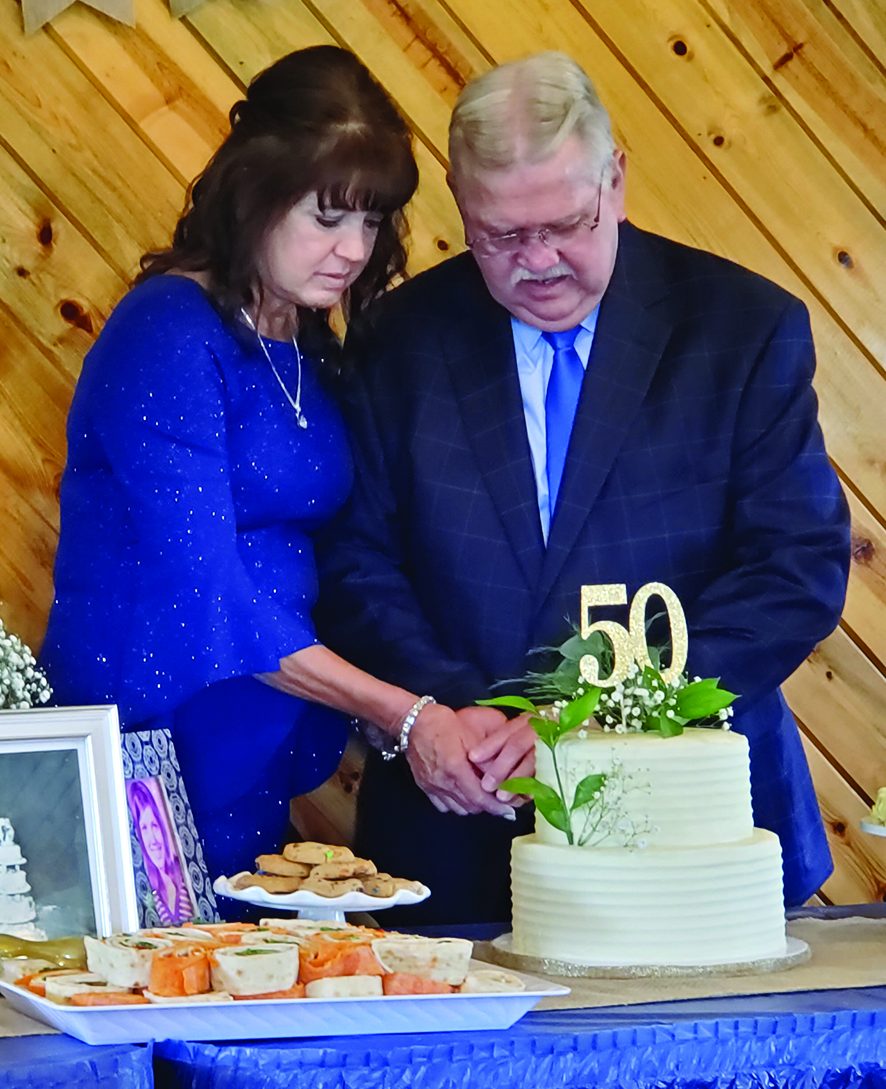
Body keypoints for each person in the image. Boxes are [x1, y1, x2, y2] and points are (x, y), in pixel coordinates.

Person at [315, 51, 851, 923]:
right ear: (459, 202)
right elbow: (354, 563)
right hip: (459, 822)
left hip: (695, 840)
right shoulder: (397, 340)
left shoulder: (743, 329)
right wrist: (458, 713)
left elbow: (795, 571)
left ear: (617, 181)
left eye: (566, 223)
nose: (538, 260)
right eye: (500, 235)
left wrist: (592, 721)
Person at [41, 45, 513, 896]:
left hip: (252, 741)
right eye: (327, 217)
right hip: (144, 745)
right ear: (253, 189)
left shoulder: (308, 338)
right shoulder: (167, 330)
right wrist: (403, 711)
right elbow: (211, 591)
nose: (354, 250)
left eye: (372, 221)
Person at [128, 779, 193, 926]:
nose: (153, 840)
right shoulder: (148, 892)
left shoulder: (186, 871)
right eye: (144, 829)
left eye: (154, 825)